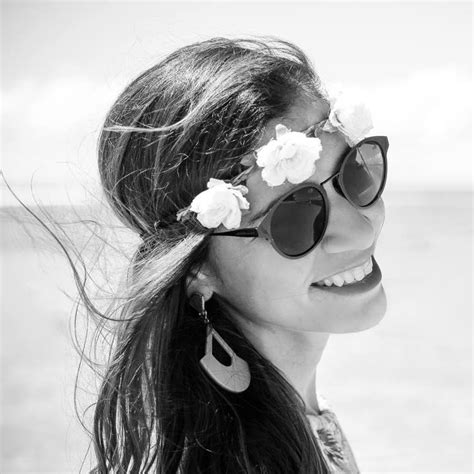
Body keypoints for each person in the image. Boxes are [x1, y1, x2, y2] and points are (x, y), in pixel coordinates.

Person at [89, 36, 389, 473]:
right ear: (198, 269)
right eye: (295, 215)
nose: (360, 230)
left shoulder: (298, 417)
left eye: (356, 172)